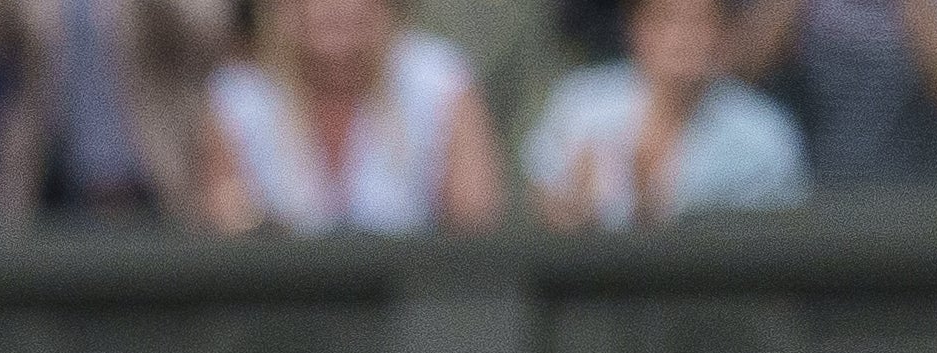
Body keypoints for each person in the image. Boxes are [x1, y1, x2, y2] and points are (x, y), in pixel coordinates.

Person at [192, 0, 501, 225]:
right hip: (280, 304)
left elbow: (473, 221)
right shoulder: (238, 96)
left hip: (412, 303)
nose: (334, 7)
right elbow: (222, 221)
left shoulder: (441, 80)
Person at [524, 0, 805, 215]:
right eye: (666, 20)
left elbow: (774, 243)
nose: (682, 38)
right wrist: (576, 207)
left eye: (698, 23)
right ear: (636, 28)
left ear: (723, 34)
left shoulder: (762, 132)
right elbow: (544, 208)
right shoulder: (580, 104)